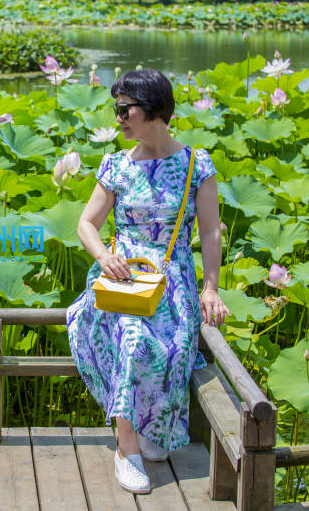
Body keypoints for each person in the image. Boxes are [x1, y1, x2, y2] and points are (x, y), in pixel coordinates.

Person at [66, 69, 231, 494]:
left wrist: (211, 288)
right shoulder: (116, 165)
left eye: (125, 109)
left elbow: (211, 231)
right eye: (116, 108)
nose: (118, 117)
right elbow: (86, 223)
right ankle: (127, 449)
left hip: (174, 280)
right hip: (123, 278)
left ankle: (153, 430)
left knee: (174, 347)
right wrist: (104, 256)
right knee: (133, 338)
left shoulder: (197, 164)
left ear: (154, 109)